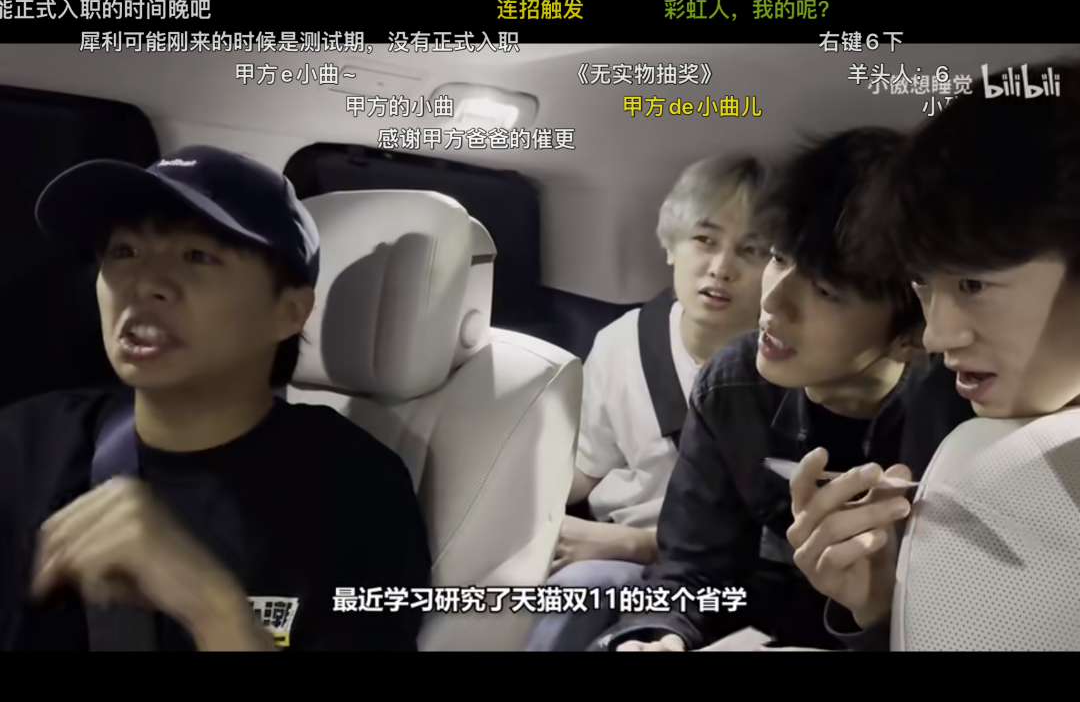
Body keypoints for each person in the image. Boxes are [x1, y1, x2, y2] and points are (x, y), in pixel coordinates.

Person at [0, 146, 431, 651]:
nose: (144, 283)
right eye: (124, 252)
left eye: (198, 256)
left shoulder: (357, 489)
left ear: (289, 312)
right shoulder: (24, 442)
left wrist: (211, 608)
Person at [593, 127, 973, 652]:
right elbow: (693, 570)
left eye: (825, 290)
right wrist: (662, 636)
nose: (773, 302)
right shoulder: (731, 385)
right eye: (778, 257)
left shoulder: (964, 416)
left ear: (911, 334)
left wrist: (879, 612)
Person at [788, 59, 1080, 651]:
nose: (936, 337)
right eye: (923, 284)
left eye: (974, 284)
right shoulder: (943, 405)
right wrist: (883, 607)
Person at [524, 156, 770, 651]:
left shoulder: (786, 366)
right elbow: (584, 468)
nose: (722, 268)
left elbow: (774, 535)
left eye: (751, 250)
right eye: (705, 240)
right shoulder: (624, 341)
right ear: (672, 246)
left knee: (584, 587)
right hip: (621, 560)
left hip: (724, 576)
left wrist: (638, 544)